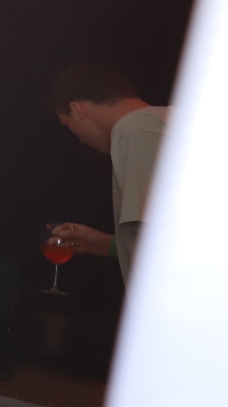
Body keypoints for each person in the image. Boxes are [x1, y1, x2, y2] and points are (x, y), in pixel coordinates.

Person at [47, 64, 169, 282]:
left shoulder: (134, 128)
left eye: (68, 125)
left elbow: (156, 241)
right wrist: (110, 245)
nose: (80, 140)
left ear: (77, 109)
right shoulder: (167, 122)